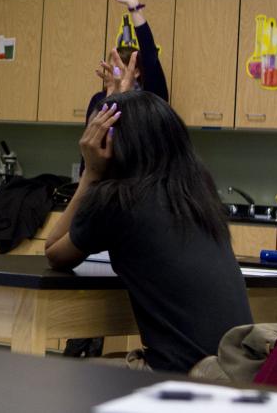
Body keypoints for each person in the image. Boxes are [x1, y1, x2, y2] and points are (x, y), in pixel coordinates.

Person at [45, 86, 252, 373]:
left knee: (69, 374)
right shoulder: (196, 192)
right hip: (236, 370)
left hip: (185, 376)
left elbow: (54, 252)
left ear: (110, 144)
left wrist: (90, 173)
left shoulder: (117, 199)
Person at [86, 0, 168, 123]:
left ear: (136, 72)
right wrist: (109, 101)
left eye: (118, 68)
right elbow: (91, 134)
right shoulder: (99, 99)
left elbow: (150, 55)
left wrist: (134, 6)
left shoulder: (150, 98)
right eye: (110, 68)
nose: (114, 73)